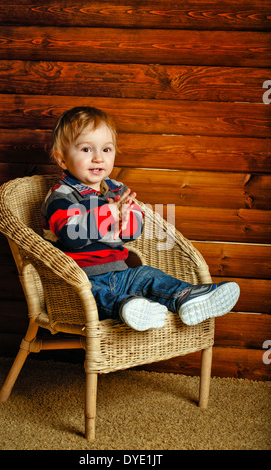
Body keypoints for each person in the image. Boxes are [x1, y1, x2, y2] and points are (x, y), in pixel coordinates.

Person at [41, 106, 240, 331]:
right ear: (62, 159)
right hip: (81, 279)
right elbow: (70, 236)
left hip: (120, 272)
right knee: (96, 295)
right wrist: (108, 214)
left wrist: (127, 218)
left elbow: (133, 233)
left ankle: (186, 297)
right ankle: (129, 307)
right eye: (86, 149)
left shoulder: (116, 190)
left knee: (148, 275)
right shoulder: (61, 195)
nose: (98, 157)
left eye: (106, 149)